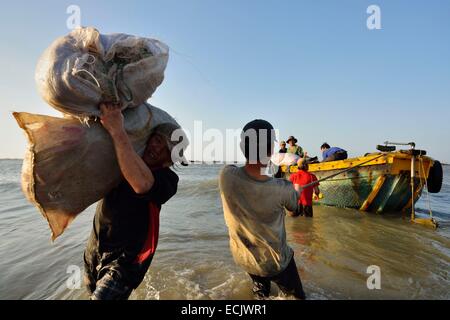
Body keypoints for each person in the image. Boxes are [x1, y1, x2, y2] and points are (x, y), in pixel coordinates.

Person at [84, 102, 188, 300]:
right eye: (156, 140)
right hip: (94, 251)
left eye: (164, 147)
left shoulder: (168, 180)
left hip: (125, 263)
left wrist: (117, 130)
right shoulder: (126, 159)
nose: (156, 147)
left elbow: (141, 183)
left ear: (171, 160)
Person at [219, 119, 306, 300]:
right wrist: (295, 193)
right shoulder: (283, 188)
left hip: (244, 258)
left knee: (260, 290)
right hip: (275, 264)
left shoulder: (226, 176)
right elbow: (294, 212)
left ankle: (260, 292)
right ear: (270, 151)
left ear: (243, 147)